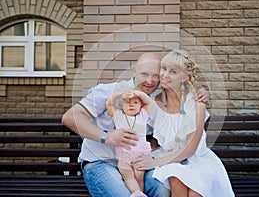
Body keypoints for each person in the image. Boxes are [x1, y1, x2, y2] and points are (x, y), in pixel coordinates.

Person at [61, 52, 210, 197]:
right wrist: (106, 136)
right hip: (101, 162)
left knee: (162, 189)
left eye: (155, 76)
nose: (150, 81)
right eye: (144, 74)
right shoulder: (108, 91)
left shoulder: (154, 101)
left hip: (137, 165)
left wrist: (200, 93)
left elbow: (173, 121)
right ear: (134, 70)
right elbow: (69, 117)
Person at [132, 50, 235, 197]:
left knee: (195, 192)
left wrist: (154, 162)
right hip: (171, 160)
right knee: (175, 177)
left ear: (185, 78)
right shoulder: (154, 103)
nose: (165, 75)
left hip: (198, 161)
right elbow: (151, 134)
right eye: (164, 68)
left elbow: (190, 150)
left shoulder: (196, 103)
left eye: (173, 71)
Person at [106, 92, 152, 197]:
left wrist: (139, 93)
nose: (131, 105)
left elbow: (149, 102)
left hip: (140, 153)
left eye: (135, 102)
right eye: (127, 102)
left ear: (141, 106)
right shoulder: (118, 116)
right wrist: (119, 94)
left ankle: (140, 194)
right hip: (124, 153)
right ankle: (136, 193)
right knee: (128, 174)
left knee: (139, 174)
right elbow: (109, 104)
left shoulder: (142, 116)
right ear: (121, 105)